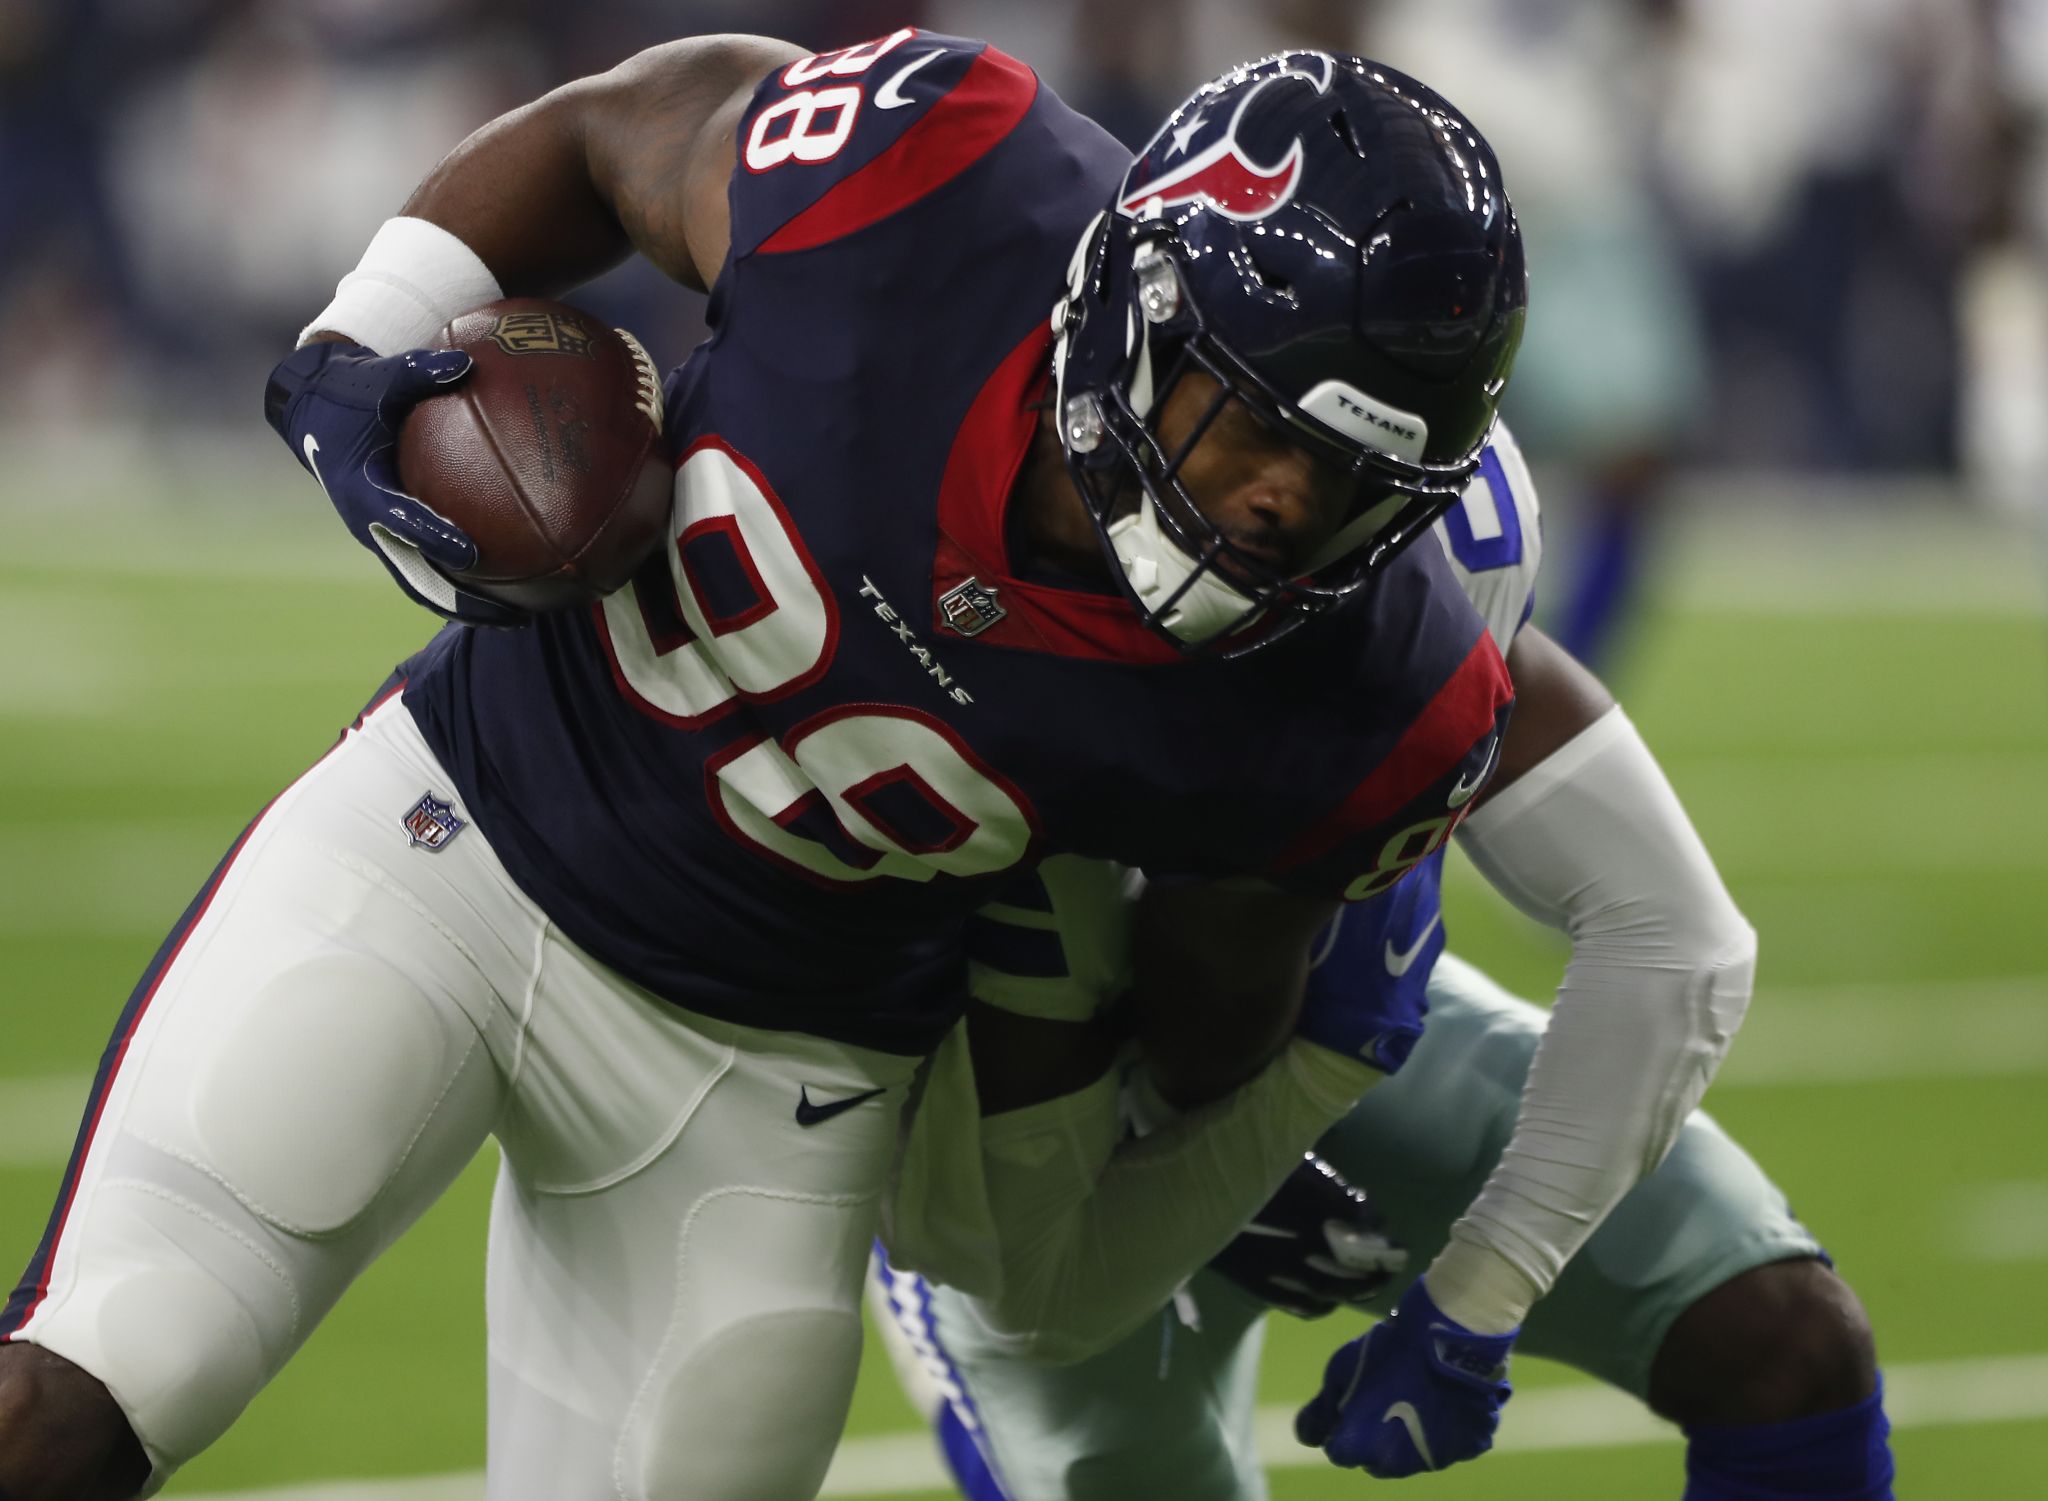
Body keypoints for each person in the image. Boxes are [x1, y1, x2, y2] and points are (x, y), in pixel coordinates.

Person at [0, 30, 1725, 1501]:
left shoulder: (1353, 687)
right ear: (1144, 304)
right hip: (453, 846)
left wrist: (1197, 1145)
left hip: (770, 1077)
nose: (1282, 502)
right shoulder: (933, 183)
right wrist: (357, 343)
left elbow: (1203, 1017)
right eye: (1258, 421)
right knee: (90, 1385)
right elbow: (620, 131)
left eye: (1350, 482)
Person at [864, 428, 1892, 1498]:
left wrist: (1477, 1296)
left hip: (1320, 1022)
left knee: (1779, 1343)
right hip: (999, 1098)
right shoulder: (994, 562)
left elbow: (1675, 939)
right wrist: (1210, 1174)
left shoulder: (1439, 584)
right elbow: (1012, 1277)